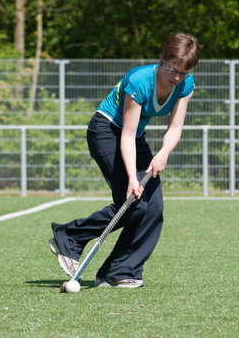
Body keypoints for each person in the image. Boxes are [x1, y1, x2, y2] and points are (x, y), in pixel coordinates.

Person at [49, 32, 200, 288]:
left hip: (134, 136)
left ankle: (119, 271)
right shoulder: (140, 80)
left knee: (153, 207)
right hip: (106, 130)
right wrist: (132, 176)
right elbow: (126, 133)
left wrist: (162, 153)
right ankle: (70, 236)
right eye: (173, 70)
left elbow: (175, 127)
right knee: (133, 202)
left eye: (183, 72)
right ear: (162, 59)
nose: (176, 78)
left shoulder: (186, 84)